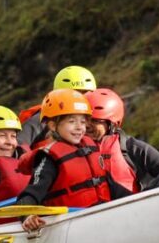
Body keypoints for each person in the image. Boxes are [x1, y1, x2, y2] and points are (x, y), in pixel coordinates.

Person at [17, 89, 111, 232]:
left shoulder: (91, 145)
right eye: (71, 121)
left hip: (101, 217)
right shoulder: (49, 158)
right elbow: (29, 195)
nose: (79, 127)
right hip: (70, 227)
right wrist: (27, 216)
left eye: (82, 121)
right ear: (53, 125)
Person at [84, 88, 159, 197]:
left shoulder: (132, 148)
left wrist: (148, 194)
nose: (86, 125)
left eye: (95, 120)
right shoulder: (70, 150)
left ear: (112, 124)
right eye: (84, 119)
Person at [18, 65, 96, 147]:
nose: (79, 97)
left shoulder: (98, 118)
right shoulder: (42, 119)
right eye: (73, 92)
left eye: (85, 93)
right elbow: (19, 147)